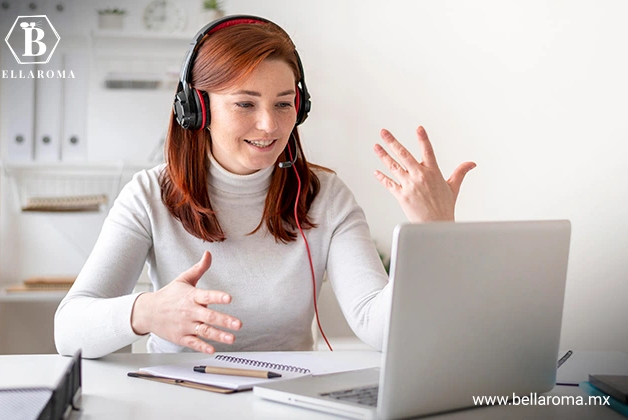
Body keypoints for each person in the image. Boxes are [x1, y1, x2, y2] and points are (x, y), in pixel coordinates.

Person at [54, 15, 475, 359]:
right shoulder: (149, 195)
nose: (270, 125)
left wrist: (433, 229)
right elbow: (68, 330)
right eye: (244, 103)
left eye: (283, 103)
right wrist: (144, 311)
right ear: (198, 109)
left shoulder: (325, 196)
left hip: (288, 399)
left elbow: (377, 325)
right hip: (179, 400)